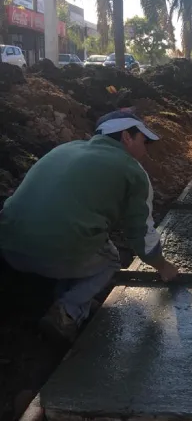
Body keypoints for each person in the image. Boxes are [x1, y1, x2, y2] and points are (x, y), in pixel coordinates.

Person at [0, 110, 179, 344]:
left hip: (8, 248)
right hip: (54, 255)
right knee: (111, 259)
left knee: (78, 237)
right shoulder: (133, 171)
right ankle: (67, 311)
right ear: (126, 137)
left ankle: (59, 294)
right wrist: (162, 266)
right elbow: (140, 233)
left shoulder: (64, 149)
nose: (145, 150)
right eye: (143, 141)